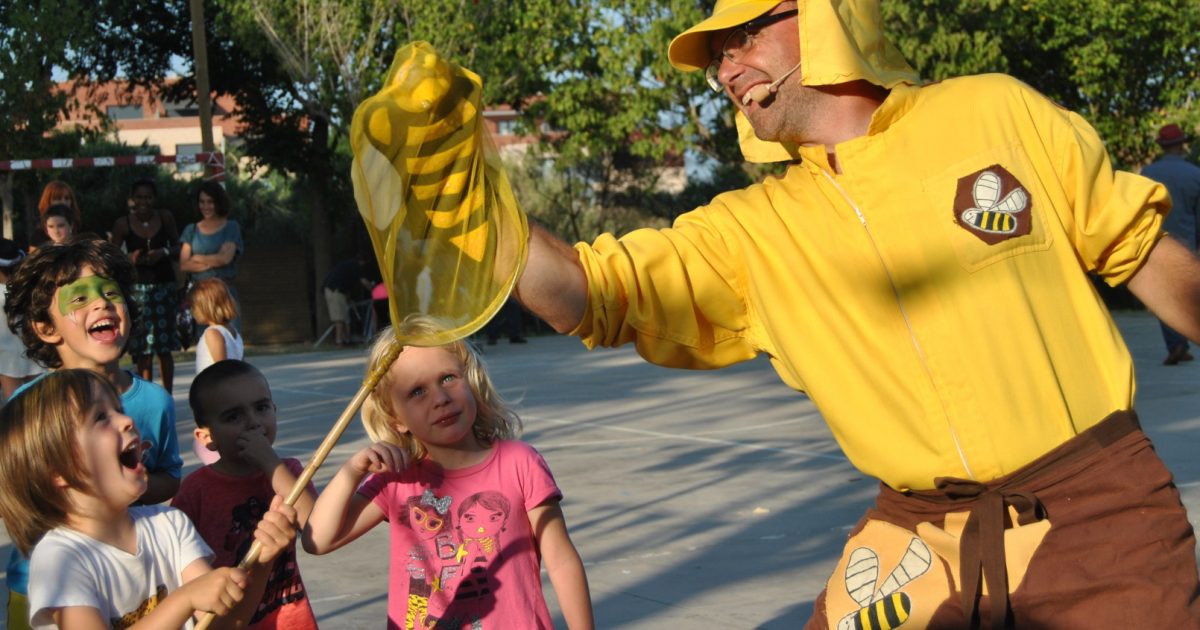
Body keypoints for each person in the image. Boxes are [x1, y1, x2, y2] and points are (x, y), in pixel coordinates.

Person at [511, 1, 1200, 627]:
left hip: (1100, 509)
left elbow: (1141, 255)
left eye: (744, 36)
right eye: (716, 55)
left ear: (826, 18)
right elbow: (583, 292)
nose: (726, 69)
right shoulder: (752, 229)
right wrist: (470, 208)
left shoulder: (995, 113)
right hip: (917, 538)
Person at [304, 316, 593, 629]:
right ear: (395, 418)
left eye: (447, 378)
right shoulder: (397, 478)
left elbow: (561, 561)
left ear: (471, 380)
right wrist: (351, 471)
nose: (440, 399)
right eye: (417, 392)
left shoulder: (519, 462)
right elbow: (318, 541)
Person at [0, 369, 299, 629]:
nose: (126, 420)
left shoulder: (170, 525)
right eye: (101, 417)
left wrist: (262, 562)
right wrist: (183, 599)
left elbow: (223, 625)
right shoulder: (60, 558)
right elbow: (188, 601)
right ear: (58, 471)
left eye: (118, 409)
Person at [3, 236, 184, 629]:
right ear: (46, 329)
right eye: (79, 298)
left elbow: (170, 478)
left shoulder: (154, 402)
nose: (101, 303)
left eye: (109, 293)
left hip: (133, 585)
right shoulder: (30, 407)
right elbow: (16, 490)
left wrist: (127, 482)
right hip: (44, 588)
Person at [172, 360, 318, 628]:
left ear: (275, 410)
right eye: (234, 416)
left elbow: (317, 530)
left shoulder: (288, 471)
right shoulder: (195, 491)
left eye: (261, 408)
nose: (253, 423)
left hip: (291, 620)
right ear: (206, 437)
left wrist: (271, 464)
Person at [111, 178, 181, 392]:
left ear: (155, 199)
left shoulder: (165, 217)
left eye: (148, 197)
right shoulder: (123, 223)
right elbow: (111, 256)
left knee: (165, 349)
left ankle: (166, 394)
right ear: (132, 200)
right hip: (138, 290)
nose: (144, 202)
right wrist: (129, 258)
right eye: (139, 197)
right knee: (143, 350)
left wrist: (163, 252)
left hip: (164, 288)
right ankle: (147, 394)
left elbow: (179, 246)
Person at [1140, 122, 1200, 365]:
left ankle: (1176, 344)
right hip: (1188, 241)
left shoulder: (1147, 175)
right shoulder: (1195, 174)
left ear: (1163, 146)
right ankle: (1185, 340)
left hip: (1157, 242)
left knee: (1164, 295)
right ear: (1181, 145)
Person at [188, 277, 246, 465]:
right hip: (224, 396)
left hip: (214, 398)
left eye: (194, 306)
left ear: (205, 306)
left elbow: (221, 370)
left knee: (208, 445)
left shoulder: (213, 333)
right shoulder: (232, 332)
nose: (192, 311)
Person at [180, 181, 244, 332]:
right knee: (207, 346)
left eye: (210, 202)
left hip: (224, 293)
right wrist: (214, 260)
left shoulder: (231, 227)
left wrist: (197, 257)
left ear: (218, 202)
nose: (205, 206)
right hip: (201, 297)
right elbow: (184, 264)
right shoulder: (191, 230)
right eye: (202, 202)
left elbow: (225, 259)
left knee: (231, 343)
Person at [0, 239, 41, 401]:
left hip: (8, 357)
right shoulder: (30, 285)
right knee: (39, 406)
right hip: (35, 353)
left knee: (16, 408)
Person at [322, 255, 373, 346]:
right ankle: (339, 341)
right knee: (339, 317)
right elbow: (364, 281)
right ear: (363, 262)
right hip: (334, 290)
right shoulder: (356, 266)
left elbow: (346, 283)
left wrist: (348, 298)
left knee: (344, 317)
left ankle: (346, 339)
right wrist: (373, 290)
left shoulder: (347, 265)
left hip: (336, 290)